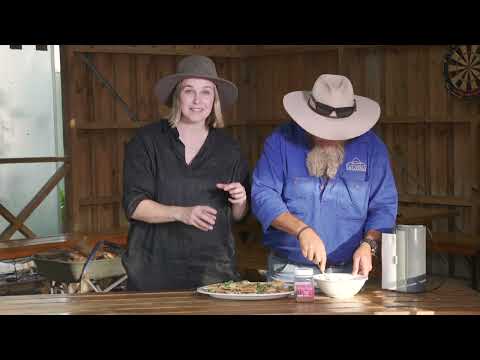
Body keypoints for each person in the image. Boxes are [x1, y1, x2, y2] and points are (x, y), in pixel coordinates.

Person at [251, 74, 398, 283]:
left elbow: (384, 206)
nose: (329, 136)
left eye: (338, 131)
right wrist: (301, 230)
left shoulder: (373, 149)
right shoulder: (280, 141)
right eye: (319, 128)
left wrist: (369, 245)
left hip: (349, 274)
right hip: (290, 271)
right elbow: (262, 195)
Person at [122, 55, 250, 291]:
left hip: (213, 274)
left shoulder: (229, 148)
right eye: (189, 90)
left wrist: (239, 200)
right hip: (153, 272)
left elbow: (237, 216)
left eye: (206, 92)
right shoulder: (147, 141)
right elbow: (134, 205)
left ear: (215, 99)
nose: (197, 100)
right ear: (176, 96)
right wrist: (182, 213)